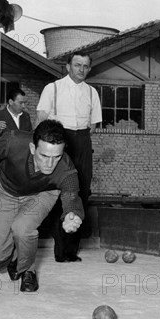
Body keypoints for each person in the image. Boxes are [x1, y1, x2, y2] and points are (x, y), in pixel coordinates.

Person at [0, 120, 84, 292]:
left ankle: (27, 271)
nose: (50, 164)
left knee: (23, 228)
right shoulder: (13, 141)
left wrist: (71, 215)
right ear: (32, 148)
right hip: (5, 192)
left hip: (41, 195)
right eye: (44, 156)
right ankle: (17, 258)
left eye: (56, 157)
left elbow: (71, 196)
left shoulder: (66, 169)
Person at [36, 51, 102, 262]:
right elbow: (41, 120)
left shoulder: (92, 92)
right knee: (60, 194)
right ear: (67, 67)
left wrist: (78, 140)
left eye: (85, 66)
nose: (81, 69)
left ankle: (71, 251)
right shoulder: (52, 88)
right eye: (77, 65)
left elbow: (92, 126)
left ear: (89, 69)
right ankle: (59, 250)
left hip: (82, 141)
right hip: (59, 142)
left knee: (80, 192)